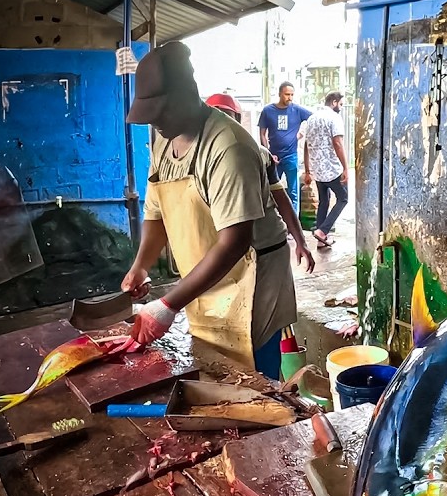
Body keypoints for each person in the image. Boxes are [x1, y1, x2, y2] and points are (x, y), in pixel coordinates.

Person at [118, 42, 298, 380]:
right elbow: (156, 208)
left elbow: (233, 243)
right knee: (217, 370)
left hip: (252, 280)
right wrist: (140, 265)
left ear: (188, 94)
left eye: (161, 113)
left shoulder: (228, 148)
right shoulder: (163, 138)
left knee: (257, 381)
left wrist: (167, 305)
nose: (156, 124)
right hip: (206, 277)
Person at [205, 92, 316, 271]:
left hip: (267, 248)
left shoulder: (260, 154)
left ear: (237, 120)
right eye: (215, 115)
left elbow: (281, 198)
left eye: (226, 115)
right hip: (227, 255)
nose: (221, 122)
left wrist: (300, 241)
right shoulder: (200, 159)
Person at [301, 92, 349, 247]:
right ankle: (323, 231)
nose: (341, 108)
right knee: (343, 198)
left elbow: (306, 146)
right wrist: (345, 167)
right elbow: (338, 143)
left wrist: (308, 170)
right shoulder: (334, 118)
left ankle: (321, 240)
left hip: (318, 169)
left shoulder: (311, 119)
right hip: (332, 168)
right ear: (334, 102)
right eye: (341, 104)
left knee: (324, 201)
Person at [257, 81, 311, 208]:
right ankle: (273, 221)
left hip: (291, 156)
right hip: (274, 157)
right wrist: (268, 154)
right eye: (287, 94)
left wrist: (302, 132)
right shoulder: (268, 111)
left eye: (292, 95)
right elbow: (262, 134)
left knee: (293, 192)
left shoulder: (297, 110)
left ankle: (294, 225)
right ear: (280, 94)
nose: (290, 98)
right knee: (270, 190)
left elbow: (313, 119)